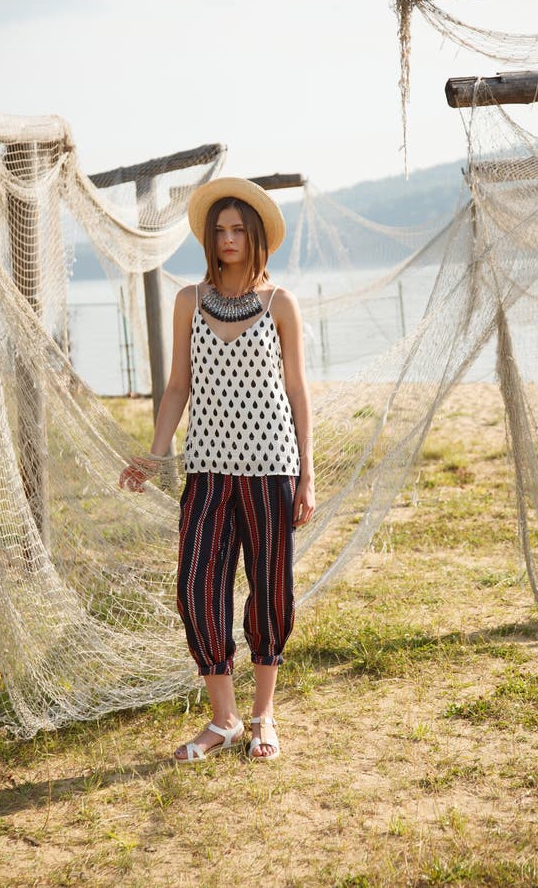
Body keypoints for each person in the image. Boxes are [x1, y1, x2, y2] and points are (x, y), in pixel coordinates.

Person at [119, 177, 314, 762]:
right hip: (206, 469)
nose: (228, 239)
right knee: (196, 586)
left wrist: (307, 474)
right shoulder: (188, 300)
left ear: (256, 237)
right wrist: (156, 454)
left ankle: (262, 716)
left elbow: (298, 391)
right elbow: (178, 386)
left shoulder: (281, 303)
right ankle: (224, 719)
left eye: (238, 230)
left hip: (272, 467)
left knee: (270, 589)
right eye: (219, 230)